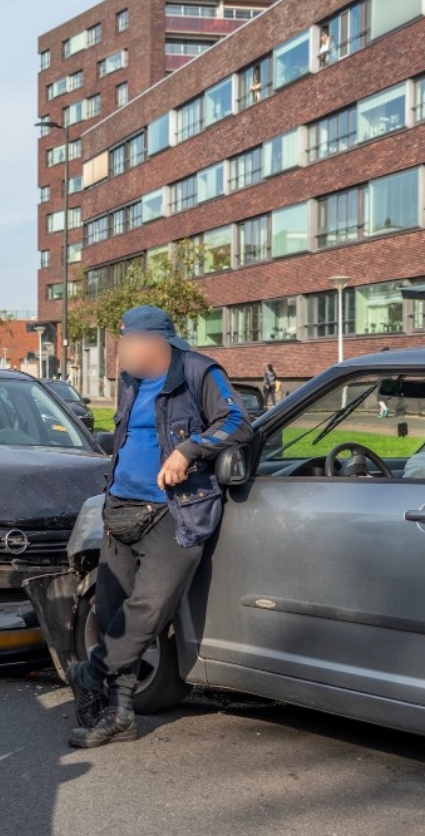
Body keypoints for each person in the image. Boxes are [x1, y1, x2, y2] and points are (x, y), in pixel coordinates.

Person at [66, 305, 252, 748]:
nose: (120, 351)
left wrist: (190, 449)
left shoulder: (198, 372)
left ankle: (88, 675)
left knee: (146, 611)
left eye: (127, 341)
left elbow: (238, 422)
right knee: (112, 612)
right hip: (120, 509)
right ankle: (120, 715)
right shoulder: (130, 379)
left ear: (155, 342)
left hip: (176, 512)